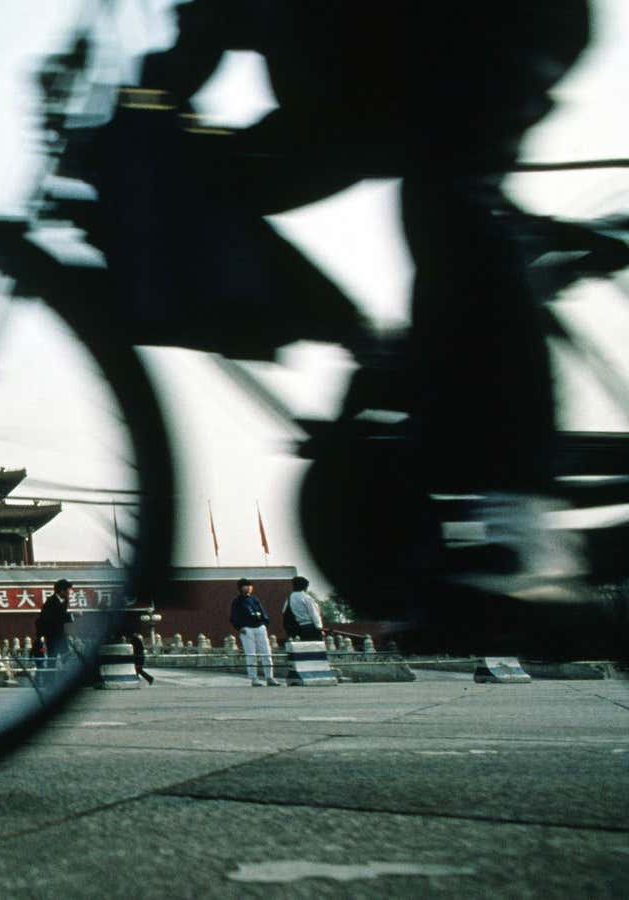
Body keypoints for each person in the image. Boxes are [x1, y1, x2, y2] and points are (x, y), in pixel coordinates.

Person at [94, 3, 592, 606]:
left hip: (477, 33)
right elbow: (201, 39)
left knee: (448, 199)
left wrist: (141, 108)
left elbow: (204, 35)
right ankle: (372, 353)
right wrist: (145, 111)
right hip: (359, 76)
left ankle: (526, 519)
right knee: (212, 180)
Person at [229, 578, 275, 686]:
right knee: (251, 655)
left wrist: (265, 624)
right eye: (245, 585)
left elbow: (263, 613)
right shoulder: (236, 601)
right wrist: (239, 627)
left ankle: (269, 678)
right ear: (240, 588)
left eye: (250, 585)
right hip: (247, 630)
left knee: (266, 653)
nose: (249, 587)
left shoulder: (254, 599)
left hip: (259, 627)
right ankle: (254, 679)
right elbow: (233, 617)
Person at [36, 579, 75, 659]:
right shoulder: (52, 601)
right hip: (52, 636)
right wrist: (73, 615)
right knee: (53, 658)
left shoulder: (63, 601)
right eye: (68, 590)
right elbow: (58, 617)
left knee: (65, 656)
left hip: (59, 635)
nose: (70, 592)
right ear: (62, 591)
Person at [282, 576, 325, 642]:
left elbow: (283, 611)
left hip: (297, 628)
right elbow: (314, 614)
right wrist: (319, 628)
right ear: (305, 586)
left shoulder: (289, 598)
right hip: (310, 627)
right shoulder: (306, 597)